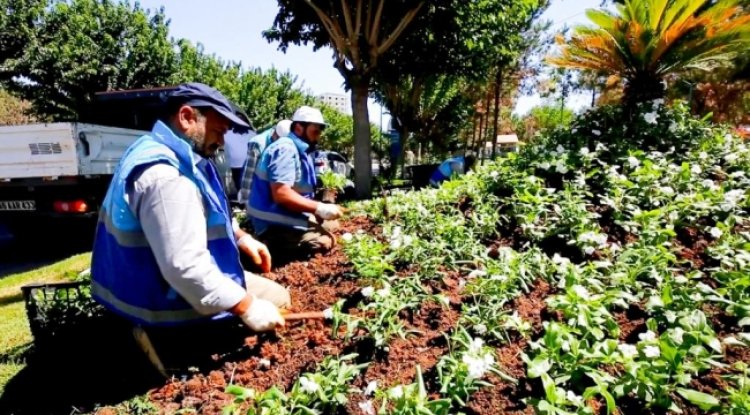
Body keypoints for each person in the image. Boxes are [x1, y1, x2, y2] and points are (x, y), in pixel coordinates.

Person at [90, 82, 289, 376]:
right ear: (186, 118)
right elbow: (185, 267)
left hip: (145, 281)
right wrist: (247, 307)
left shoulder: (165, 150)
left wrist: (242, 237)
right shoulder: (167, 177)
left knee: (270, 297)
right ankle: (165, 347)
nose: (221, 142)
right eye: (219, 131)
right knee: (276, 302)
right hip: (157, 300)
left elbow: (207, 208)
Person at [247, 106, 344, 261]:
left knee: (333, 225)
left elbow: (299, 190)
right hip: (271, 222)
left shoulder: (299, 151)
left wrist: (316, 210)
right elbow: (281, 194)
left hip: (284, 214)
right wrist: (319, 208)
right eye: (315, 131)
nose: (318, 137)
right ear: (299, 128)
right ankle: (266, 243)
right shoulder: (285, 149)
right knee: (324, 241)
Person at [237, 119, 292, 205]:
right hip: (256, 182)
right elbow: (249, 173)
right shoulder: (258, 144)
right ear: (276, 135)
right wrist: (245, 198)